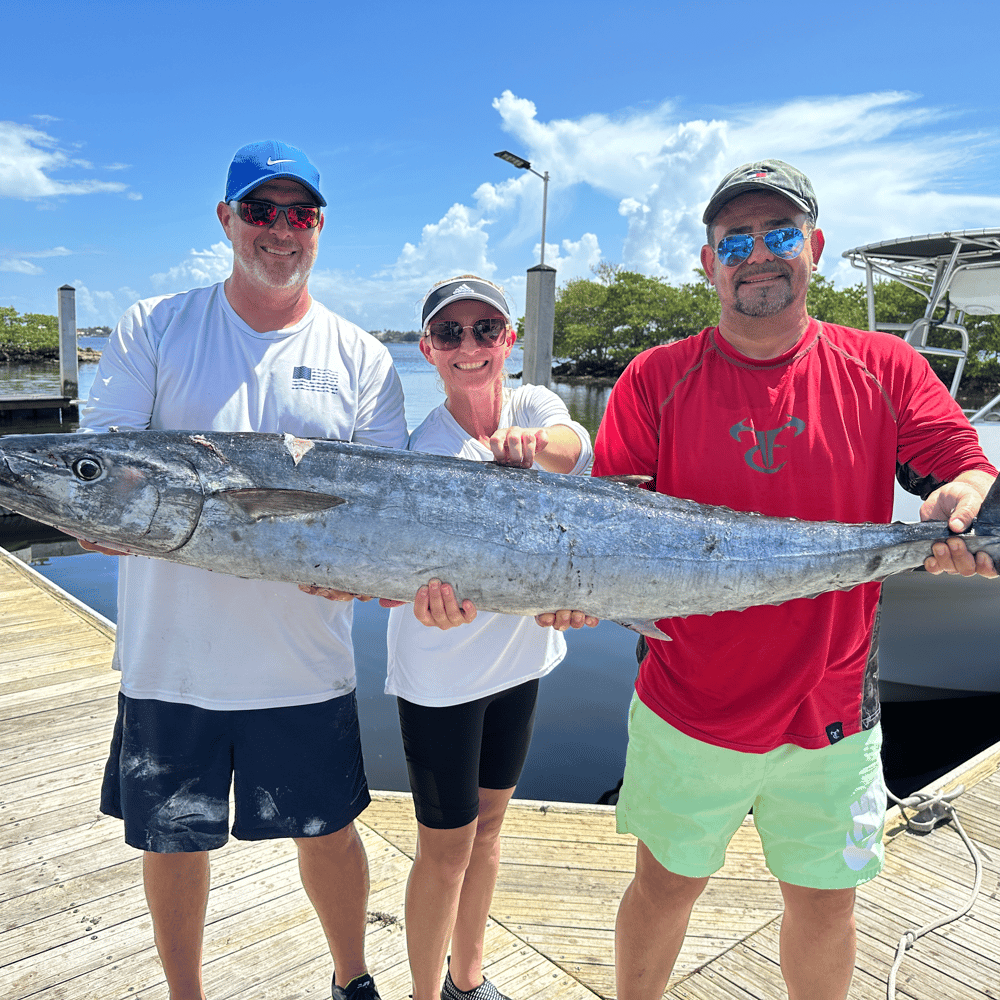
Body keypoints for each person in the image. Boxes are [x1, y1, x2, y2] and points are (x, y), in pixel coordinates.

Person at [589, 159, 998, 1000]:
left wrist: (966, 498)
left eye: (779, 234)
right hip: (685, 706)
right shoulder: (654, 379)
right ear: (708, 263)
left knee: (825, 904)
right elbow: (602, 536)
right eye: (734, 239)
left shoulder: (882, 366)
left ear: (814, 248)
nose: (757, 254)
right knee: (664, 888)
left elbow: (960, 467)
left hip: (835, 713)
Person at [78, 140, 406, 1000]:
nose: (279, 230)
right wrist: (96, 510)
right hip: (169, 661)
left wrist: (367, 573)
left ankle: (353, 979)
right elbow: (106, 458)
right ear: (225, 220)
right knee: (170, 841)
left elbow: (389, 516)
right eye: (260, 210)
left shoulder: (363, 358)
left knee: (330, 834)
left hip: (303, 663)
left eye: (299, 213)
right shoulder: (156, 325)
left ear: (321, 228)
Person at [384, 275, 594, 1000]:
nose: (468, 346)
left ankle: (467, 980)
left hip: (520, 660)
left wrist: (536, 445)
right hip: (440, 670)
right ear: (428, 351)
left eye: (484, 330)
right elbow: (397, 572)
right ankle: (421, 993)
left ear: (509, 340)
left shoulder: (532, 404)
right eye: (450, 334)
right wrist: (419, 600)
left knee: (492, 831)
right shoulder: (419, 450)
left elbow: (575, 445)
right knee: (444, 851)